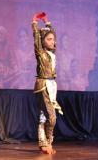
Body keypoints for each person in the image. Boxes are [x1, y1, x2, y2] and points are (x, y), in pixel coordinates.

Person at [32, 12, 63, 154]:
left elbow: (52, 34)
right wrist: (34, 23)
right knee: (51, 117)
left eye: (53, 40)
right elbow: (37, 39)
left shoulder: (52, 53)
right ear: (43, 41)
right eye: (49, 39)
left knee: (44, 116)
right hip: (43, 85)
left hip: (51, 85)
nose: (52, 42)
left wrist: (47, 22)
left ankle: (43, 144)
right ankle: (48, 142)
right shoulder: (41, 52)